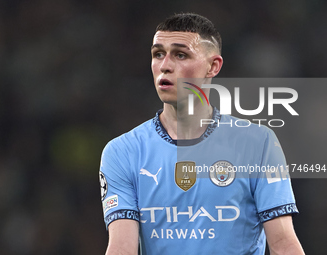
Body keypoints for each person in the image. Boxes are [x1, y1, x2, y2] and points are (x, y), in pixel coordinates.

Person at [99, 13, 304, 254]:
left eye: (180, 54)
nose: (165, 65)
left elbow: (283, 244)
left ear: (213, 66)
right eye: (158, 54)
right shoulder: (123, 151)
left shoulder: (257, 144)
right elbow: (122, 249)